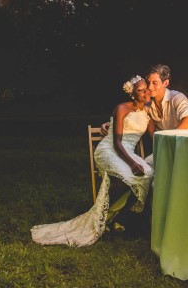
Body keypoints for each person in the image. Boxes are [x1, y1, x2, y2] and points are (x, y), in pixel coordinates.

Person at [31, 75, 155, 247]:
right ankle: (103, 216)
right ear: (133, 94)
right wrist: (133, 163)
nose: (145, 92)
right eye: (140, 90)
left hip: (129, 151)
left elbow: (154, 136)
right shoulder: (122, 108)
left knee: (147, 173)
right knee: (129, 175)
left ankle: (115, 216)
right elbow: (117, 142)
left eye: (145, 88)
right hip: (110, 150)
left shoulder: (149, 112)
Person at [100, 63, 188, 140]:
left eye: (155, 83)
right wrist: (110, 124)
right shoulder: (147, 105)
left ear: (165, 83)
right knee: (147, 165)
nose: (149, 87)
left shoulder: (176, 97)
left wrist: (168, 140)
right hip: (171, 148)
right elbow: (131, 116)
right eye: (148, 82)